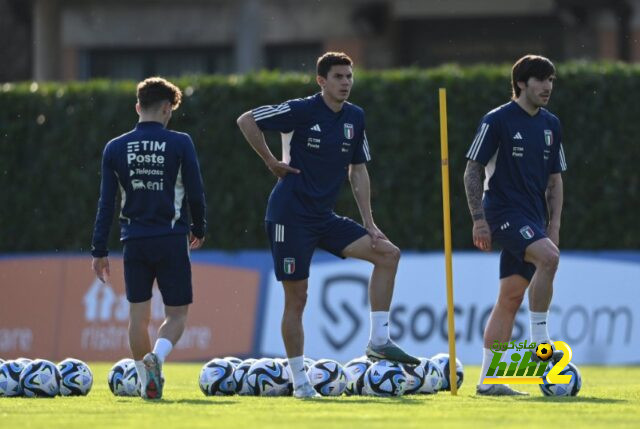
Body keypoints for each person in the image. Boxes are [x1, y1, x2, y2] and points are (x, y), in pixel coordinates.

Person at [237, 52, 419, 398]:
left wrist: (370, 223)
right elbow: (246, 120)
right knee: (298, 297)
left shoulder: (355, 117)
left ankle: (379, 340)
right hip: (289, 216)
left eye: (349, 76)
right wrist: (271, 161)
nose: (346, 83)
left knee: (388, 254)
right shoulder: (301, 110)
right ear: (321, 81)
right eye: (338, 77)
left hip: (323, 218)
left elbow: (358, 169)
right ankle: (300, 382)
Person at [91, 77, 206, 400]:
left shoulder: (114, 147)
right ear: (168, 109)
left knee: (137, 318)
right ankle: (158, 357)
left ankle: (145, 382)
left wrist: (99, 249)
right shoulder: (181, 142)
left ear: (138, 107)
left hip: (134, 241)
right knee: (177, 314)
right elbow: (195, 192)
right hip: (171, 238)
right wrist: (200, 227)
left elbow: (106, 203)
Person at [463, 55, 567, 396]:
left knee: (509, 297)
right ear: (521, 83)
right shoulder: (497, 120)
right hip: (503, 212)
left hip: (533, 218)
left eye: (550, 80)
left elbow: (555, 180)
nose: (547, 86)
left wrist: (553, 228)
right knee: (549, 259)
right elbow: (472, 170)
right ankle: (540, 343)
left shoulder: (551, 124)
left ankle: (489, 382)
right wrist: (479, 219)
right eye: (540, 80)